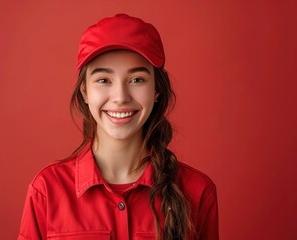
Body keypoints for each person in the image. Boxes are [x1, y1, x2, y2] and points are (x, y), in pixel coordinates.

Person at [18, 14, 218, 240]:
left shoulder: (198, 191)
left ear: (156, 91)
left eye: (136, 80)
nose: (121, 97)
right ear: (85, 91)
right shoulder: (46, 190)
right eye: (104, 80)